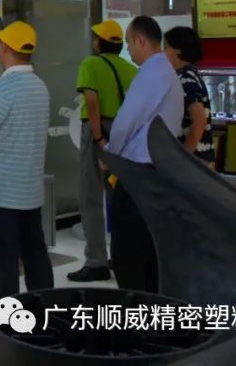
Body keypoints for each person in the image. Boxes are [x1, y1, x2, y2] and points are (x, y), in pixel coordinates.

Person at [0, 21, 54, 303]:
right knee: (36, 257)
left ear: (6, 48)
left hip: (1, 195)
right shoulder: (40, 87)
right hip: (31, 193)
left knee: (4, 264)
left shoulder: (0, 88)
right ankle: (46, 313)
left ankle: (6, 323)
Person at [102, 16, 184, 294]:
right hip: (157, 171)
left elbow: (126, 122)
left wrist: (110, 154)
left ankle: (135, 309)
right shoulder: (165, 72)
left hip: (140, 173)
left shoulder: (151, 74)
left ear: (141, 41)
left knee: (129, 250)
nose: (128, 49)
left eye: (129, 43)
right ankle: (149, 307)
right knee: (149, 249)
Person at [68, 19, 137, 282]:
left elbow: (92, 102)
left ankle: (96, 261)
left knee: (91, 197)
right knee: (118, 197)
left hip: (98, 130)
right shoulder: (130, 69)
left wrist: (98, 137)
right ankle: (121, 256)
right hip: (123, 132)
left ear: (99, 43)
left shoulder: (91, 64)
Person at [163, 26, 215, 167]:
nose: (163, 52)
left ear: (179, 50)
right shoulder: (185, 74)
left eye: (166, 47)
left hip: (195, 160)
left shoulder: (186, 77)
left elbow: (199, 120)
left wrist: (184, 156)